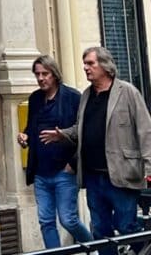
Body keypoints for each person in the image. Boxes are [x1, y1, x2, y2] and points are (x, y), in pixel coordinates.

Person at [41, 45, 151, 240]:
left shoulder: (127, 92)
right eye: (84, 64)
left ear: (105, 66)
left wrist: (149, 170)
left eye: (90, 63)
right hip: (93, 177)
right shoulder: (86, 95)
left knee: (127, 228)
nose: (86, 68)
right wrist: (63, 134)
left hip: (121, 176)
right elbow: (81, 128)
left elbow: (146, 132)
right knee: (100, 232)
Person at [17, 54, 92, 248]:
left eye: (45, 74)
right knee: (46, 221)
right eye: (37, 74)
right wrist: (25, 137)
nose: (41, 78)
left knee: (68, 220)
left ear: (55, 74)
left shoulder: (73, 97)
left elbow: (85, 133)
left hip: (64, 172)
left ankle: (97, 247)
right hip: (41, 173)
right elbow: (32, 128)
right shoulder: (34, 99)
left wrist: (73, 164)